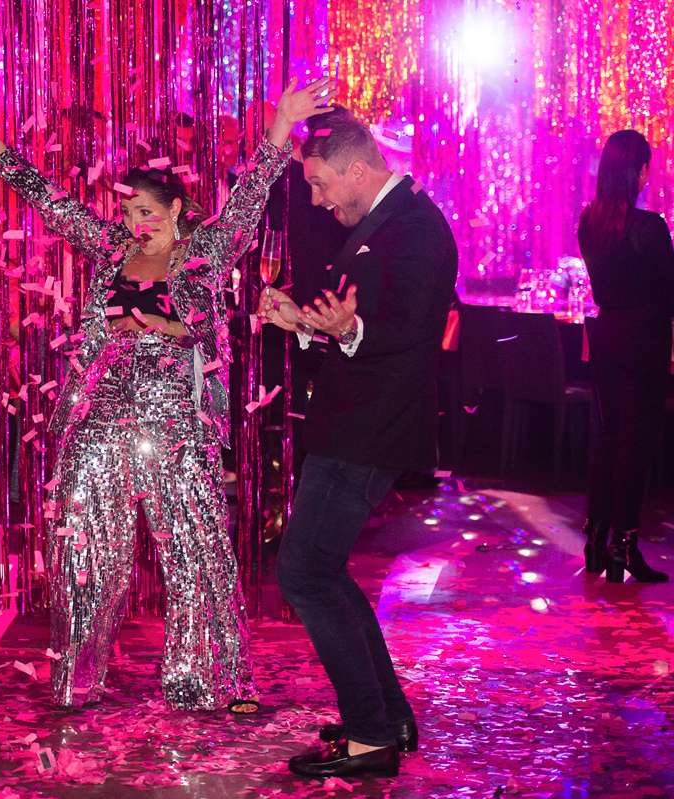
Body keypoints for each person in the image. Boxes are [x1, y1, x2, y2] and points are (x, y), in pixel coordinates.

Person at [0, 76, 336, 712]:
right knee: (82, 546)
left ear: (177, 210)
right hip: (100, 419)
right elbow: (56, 205)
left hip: (175, 425)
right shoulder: (112, 250)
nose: (136, 224)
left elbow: (248, 198)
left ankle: (201, 679)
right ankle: (78, 677)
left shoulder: (205, 252)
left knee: (193, 552)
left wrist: (279, 127)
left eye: (146, 213)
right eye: (129, 214)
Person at [258, 107, 457, 778]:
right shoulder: (386, 221)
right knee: (322, 571)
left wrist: (346, 329)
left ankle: (372, 735)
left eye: (320, 185)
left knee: (305, 573)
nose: (316, 200)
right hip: (357, 425)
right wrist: (306, 322)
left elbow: (403, 325)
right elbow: (359, 321)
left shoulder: (417, 227)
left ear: (358, 170)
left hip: (371, 430)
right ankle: (387, 718)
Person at [578, 129, 673, 584]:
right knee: (634, 444)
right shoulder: (650, 228)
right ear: (640, 172)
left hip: (607, 336)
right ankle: (624, 546)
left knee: (610, 438)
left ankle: (597, 540)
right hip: (644, 340)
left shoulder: (589, 222)